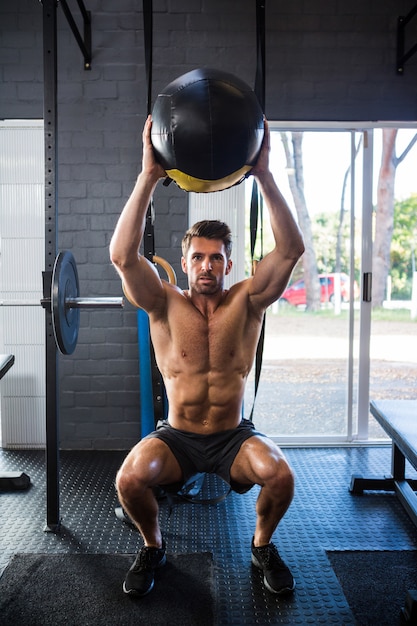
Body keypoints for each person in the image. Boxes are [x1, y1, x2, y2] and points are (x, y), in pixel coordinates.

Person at [109, 115, 305, 598]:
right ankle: (153, 546)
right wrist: (148, 176)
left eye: (216, 256)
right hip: (177, 438)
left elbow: (292, 249)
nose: (207, 265)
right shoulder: (162, 302)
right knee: (129, 479)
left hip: (233, 439)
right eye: (198, 256)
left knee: (280, 475)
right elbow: (121, 255)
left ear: (229, 263)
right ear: (185, 261)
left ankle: (261, 545)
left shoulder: (247, 300)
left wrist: (264, 174)